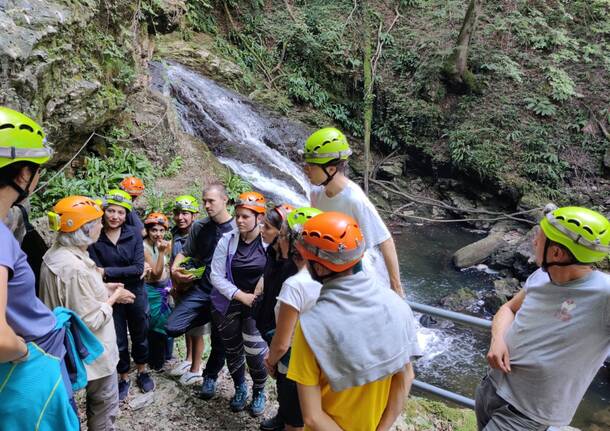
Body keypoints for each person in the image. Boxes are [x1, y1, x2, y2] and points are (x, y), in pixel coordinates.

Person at [476, 206, 610, 431]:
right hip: (491, 387)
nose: (534, 242)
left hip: (526, 415)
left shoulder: (604, 295)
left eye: (539, 237)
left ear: (556, 253)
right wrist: (498, 338)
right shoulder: (541, 275)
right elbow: (509, 309)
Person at [287, 211, 421, 431]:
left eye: (305, 259)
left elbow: (312, 417)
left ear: (319, 268)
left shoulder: (312, 326)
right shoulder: (397, 306)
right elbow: (406, 377)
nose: (302, 262)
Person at [0, 107, 79, 430]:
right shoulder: (1, 237)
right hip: (29, 362)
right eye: (37, 170)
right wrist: (24, 355)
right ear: (22, 175)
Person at [40, 195, 135, 430]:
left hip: (63, 348)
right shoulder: (75, 268)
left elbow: (73, 298)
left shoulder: (54, 255)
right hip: (92, 351)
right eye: (98, 222)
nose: (102, 226)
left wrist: (104, 288)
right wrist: (114, 297)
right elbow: (89, 320)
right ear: (85, 229)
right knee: (103, 404)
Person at [301, 127, 404, 297]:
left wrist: (396, 288)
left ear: (331, 169)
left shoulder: (354, 199)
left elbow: (385, 240)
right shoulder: (316, 194)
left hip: (350, 275)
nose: (306, 171)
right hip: (323, 269)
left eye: (310, 166)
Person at [165, 183, 233, 394]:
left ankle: (209, 378)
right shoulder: (200, 226)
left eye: (211, 201)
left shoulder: (236, 229)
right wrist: (175, 269)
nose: (206, 205)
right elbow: (186, 252)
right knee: (172, 326)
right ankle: (209, 317)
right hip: (202, 290)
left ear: (225, 200)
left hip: (226, 294)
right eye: (204, 201)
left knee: (219, 341)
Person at [88, 189, 154, 401]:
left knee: (140, 332)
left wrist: (106, 271)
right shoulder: (95, 236)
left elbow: (137, 268)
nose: (115, 216)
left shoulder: (133, 233)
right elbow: (93, 269)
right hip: (109, 294)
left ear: (127, 214)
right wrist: (105, 274)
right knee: (116, 338)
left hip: (135, 291)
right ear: (103, 211)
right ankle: (123, 375)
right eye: (111, 211)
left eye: (121, 212)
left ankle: (143, 370)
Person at [261, 207, 323, 431]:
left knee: (294, 422)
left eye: (284, 235)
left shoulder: (296, 284)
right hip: (321, 362)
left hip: (295, 364)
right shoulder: (328, 278)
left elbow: (282, 342)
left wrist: (270, 361)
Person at [210, 191, 269, 416]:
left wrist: (260, 288)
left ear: (259, 218)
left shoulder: (268, 241)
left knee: (255, 352)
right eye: (238, 216)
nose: (240, 220)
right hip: (228, 303)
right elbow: (215, 275)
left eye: (245, 216)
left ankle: (259, 391)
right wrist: (239, 295)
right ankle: (240, 388)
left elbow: (276, 267)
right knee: (233, 350)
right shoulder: (228, 239)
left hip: (257, 306)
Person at [167, 195, 205, 381]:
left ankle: (196, 369)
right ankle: (188, 359)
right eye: (178, 213)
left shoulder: (199, 235)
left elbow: (202, 265)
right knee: (186, 326)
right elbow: (173, 261)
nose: (181, 217)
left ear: (194, 215)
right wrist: (174, 285)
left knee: (196, 329)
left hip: (194, 288)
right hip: (179, 287)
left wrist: (186, 282)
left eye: (185, 213)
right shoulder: (176, 233)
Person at [255, 203, 298, 344]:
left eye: (267, 227)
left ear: (282, 232)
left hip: (279, 336)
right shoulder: (271, 253)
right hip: (264, 326)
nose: (262, 230)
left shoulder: (294, 267)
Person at [143, 212, 173, 372]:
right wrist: (162, 252)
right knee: (155, 326)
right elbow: (155, 273)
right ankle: (156, 361)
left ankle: (165, 356)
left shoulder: (160, 244)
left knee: (164, 323)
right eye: (154, 230)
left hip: (164, 288)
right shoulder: (145, 247)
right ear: (148, 230)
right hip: (153, 290)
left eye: (161, 230)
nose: (158, 234)